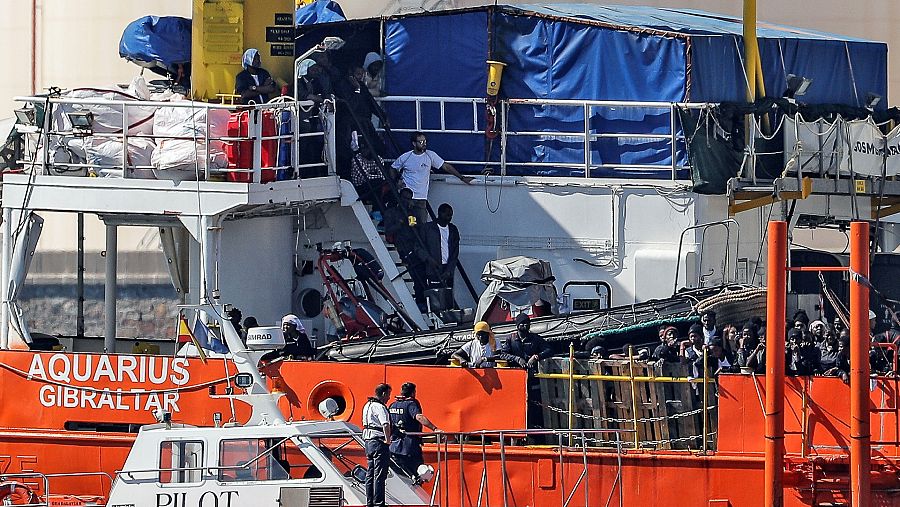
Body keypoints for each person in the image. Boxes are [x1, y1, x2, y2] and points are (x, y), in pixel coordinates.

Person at [391, 132, 474, 225]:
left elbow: (445, 166)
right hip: (406, 198)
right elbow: (393, 168)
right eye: (421, 142)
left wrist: (462, 177)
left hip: (421, 199)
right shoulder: (406, 157)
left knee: (421, 225)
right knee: (405, 224)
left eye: (425, 141)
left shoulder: (430, 155)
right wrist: (396, 181)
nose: (424, 144)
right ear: (414, 144)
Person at [383, 188, 427, 308]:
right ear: (399, 197)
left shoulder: (413, 213)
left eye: (409, 199)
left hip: (415, 247)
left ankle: (422, 300)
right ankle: (420, 301)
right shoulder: (391, 213)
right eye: (405, 198)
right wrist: (400, 223)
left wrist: (415, 224)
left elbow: (421, 228)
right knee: (416, 274)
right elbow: (388, 230)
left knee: (422, 274)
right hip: (403, 247)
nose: (407, 201)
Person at [388, 382, 439, 483]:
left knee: (400, 477)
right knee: (420, 473)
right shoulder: (411, 404)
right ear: (412, 393)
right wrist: (434, 428)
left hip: (394, 448)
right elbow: (419, 417)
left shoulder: (393, 405)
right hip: (410, 447)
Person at [418, 203, 460, 303]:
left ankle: (448, 315)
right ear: (440, 213)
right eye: (447, 214)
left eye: (451, 215)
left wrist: (449, 270)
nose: (449, 217)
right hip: (432, 267)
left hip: (447, 268)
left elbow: (455, 252)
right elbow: (418, 247)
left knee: (447, 296)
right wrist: (428, 259)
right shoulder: (427, 228)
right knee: (434, 296)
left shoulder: (453, 230)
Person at [362, 384, 392, 507]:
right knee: (379, 474)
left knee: (370, 474)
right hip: (378, 441)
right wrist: (388, 439)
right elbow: (385, 424)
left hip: (368, 442)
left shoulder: (367, 405)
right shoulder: (380, 407)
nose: (389, 397)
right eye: (388, 394)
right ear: (384, 394)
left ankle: (369, 502)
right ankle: (379, 503)